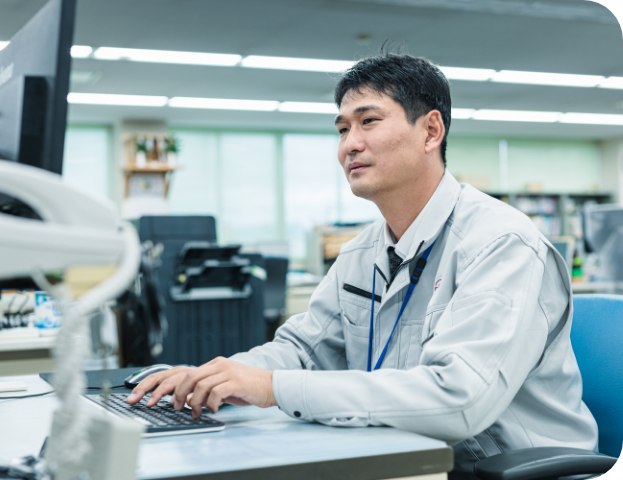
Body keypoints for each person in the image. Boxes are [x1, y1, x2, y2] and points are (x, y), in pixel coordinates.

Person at [127, 51, 598, 478]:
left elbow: (460, 401)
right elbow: (303, 350)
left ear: (431, 131)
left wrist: (273, 388)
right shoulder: (361, 252)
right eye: (342, 128)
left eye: (368, 121)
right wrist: (223, 376)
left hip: (502, 470)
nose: (348, 144)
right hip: (404, 454)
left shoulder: (501, 243)